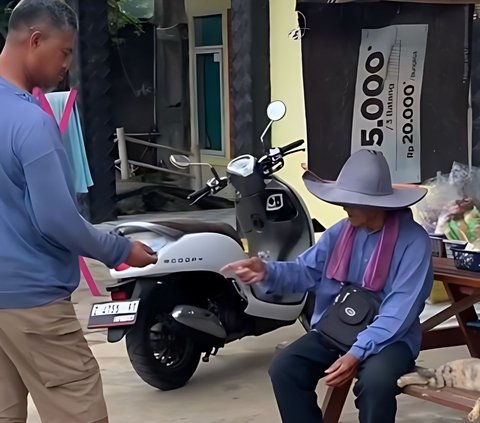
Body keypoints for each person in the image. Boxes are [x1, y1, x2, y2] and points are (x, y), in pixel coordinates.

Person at [0, 1, 156, 422]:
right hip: (34, 305)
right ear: (35, 40)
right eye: (64, 52)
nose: (67, 65)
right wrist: (120, 251)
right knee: (78, 411)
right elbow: (57, 220)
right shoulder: (30, 123)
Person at [222, 149, 433, 423]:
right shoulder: (340, 232)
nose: (344, 206)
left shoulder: (413, 240)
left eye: (351, 200)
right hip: (337, 329)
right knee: (286, 367)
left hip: (390, 339)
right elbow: (304, 272)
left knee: (376, 383)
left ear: (375, 203)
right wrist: (266, 271)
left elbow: (400, 310)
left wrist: (357, 352)